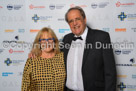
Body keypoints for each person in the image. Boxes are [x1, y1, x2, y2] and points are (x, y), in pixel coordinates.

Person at [62, 6, 117, 91]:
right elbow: (53, 55)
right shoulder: (66, 39)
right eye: (71, 21)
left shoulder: (101, 37)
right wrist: (36, 53)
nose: (75, 23)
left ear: (84, 19)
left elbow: (110, 72)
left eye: (77, 19)